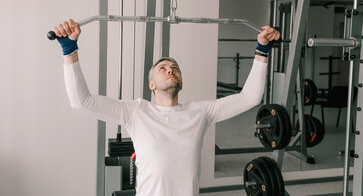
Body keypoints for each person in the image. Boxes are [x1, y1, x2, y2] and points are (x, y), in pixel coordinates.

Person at [53, 19, 280, 196]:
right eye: (162, 68)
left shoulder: (200, 112)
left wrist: (262, 50)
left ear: (181, 80)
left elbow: (249, 97)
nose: (170, 69)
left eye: (175, 68)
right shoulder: (135, 112)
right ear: (151, 84)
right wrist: (69, 49)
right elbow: (82, 101)